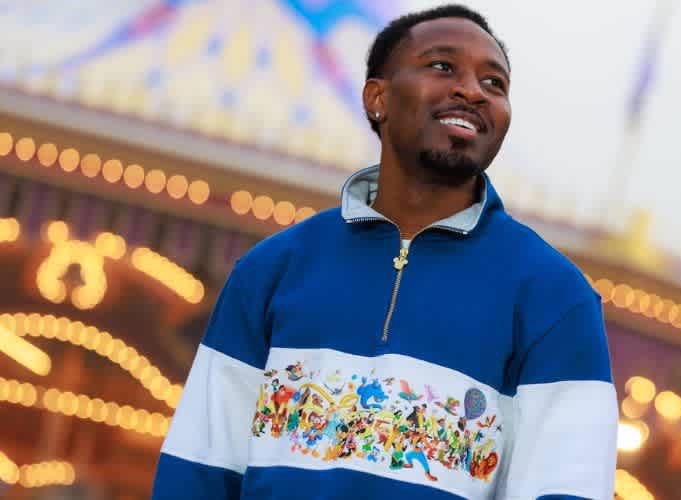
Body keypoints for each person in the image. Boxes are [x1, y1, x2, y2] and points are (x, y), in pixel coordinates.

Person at [151, 4, 616, 499]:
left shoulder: (556, 299)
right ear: (378, 97)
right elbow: (198, 466)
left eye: (494, 83)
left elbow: (568, 490)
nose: (472, 90)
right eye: (443, 66)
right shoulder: (272, 271)